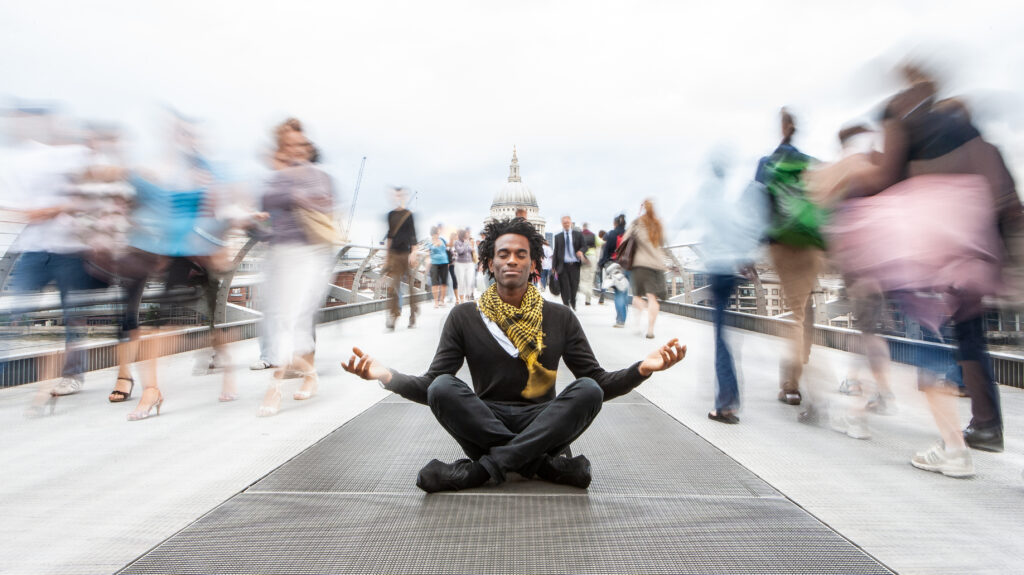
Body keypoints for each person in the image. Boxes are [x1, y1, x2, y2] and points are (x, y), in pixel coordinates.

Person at [341, 217, 687, 493]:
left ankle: (481, 471)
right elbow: (432, 386)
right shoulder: (465, 316)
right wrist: (387, 376)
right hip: (487, 424)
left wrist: (641, 369)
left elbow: (596, 381)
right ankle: (542, 464)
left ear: (534, 263)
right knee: (443, 388)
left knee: (588, 391)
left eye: (521, 254)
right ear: (489, 263)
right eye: (503, 254)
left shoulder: (560, 317)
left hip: (543, 421)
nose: (512, 260)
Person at [836, 63, 1019, 476]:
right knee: (965, 340)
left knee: (936, 343)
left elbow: (886, 183)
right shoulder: (972, 139)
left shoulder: (912, 129)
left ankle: (960, 443)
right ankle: (982, 427)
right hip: (976, 257)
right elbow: (1007, 203)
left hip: (938, 259)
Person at [256, 118, 337, 416]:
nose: (294, 150)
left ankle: (274, 388)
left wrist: (293, 194)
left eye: (298, 144)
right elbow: (266, 201)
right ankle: (311, 375)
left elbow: (324, 206)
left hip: (310, 254)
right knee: (281, 318)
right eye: (287, 145)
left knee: (291, 319)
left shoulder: (318, 176)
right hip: (280, 254)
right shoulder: (278, 175)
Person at [757, 108, 823, 408]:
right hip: (812, 245)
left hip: (782, 243)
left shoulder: (768, 163)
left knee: (794, 315)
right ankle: (803, 360)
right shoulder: (809, 163)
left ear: (782, 127)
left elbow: (759, 206)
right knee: (806, 307)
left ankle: (792, 384)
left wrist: (757, 245)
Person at [621, 199, 667, 339]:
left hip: (640, 265)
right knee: (653, 298)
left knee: (637, 296)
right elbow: (663, 242)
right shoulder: (659, 223)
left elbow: (624, 240)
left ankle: (637, 323)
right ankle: (650, 330)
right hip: (657, 264)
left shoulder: (637, 223)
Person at [383, 187, 418, 330]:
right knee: (393, 287)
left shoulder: (409, 214)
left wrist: (414, 253)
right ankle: (394, 315)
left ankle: (413, 315)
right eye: (396, 195)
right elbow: (390, 237)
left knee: (410, 287)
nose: (398, 198)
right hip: (394, 255)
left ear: (404, 197)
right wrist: (386, 258)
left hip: (406, 254)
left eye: (401, 195)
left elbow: (413, 235)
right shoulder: (390, 215)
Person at [599, 214, 629, 326]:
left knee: (618, 292)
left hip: (614, 265)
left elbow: (605, 251)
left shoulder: (610, 234)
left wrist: (602, 264)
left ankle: (620, 319)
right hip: (627, 265)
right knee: (625, 290)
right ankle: (624, 314)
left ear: (615, 223)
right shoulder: (628, 234)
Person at [553, 215, 585, 310]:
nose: (566, 224)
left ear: (570, 223)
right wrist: (554, 266)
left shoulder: (578, 235)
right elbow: (556, 251)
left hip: (574, 264)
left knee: (574, 285)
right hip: (563, 266)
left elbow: (584, 246)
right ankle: (566, 304)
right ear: (562, 224)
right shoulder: (558, 237)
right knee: (564, 286)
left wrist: (581, 251)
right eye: (564, 223)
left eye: (567, 222)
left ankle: (573, 300)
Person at [453, 228, 475, 303]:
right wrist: (465, 244)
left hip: (469, 263)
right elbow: (460, 251)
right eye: (466, 234)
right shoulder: (456, 242)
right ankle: (462, 299)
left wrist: (471, 248)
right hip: (460, 264)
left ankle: (468, 297)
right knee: (461, 281)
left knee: (469, 281)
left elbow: (470, 250)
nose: (467, 235)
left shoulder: (468, 241)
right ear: (463, 235)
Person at [428, 227, 449, 308]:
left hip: (444, 262)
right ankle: (436, 302)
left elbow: (447, 247)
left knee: (444, 283)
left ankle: (442, 300)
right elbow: (429, 250)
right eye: (437, 233)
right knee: (435, 283)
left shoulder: (442, 239)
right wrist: (434, 245)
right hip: (434, 263)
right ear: (433, 233)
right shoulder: (430, 241)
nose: (438, 234)